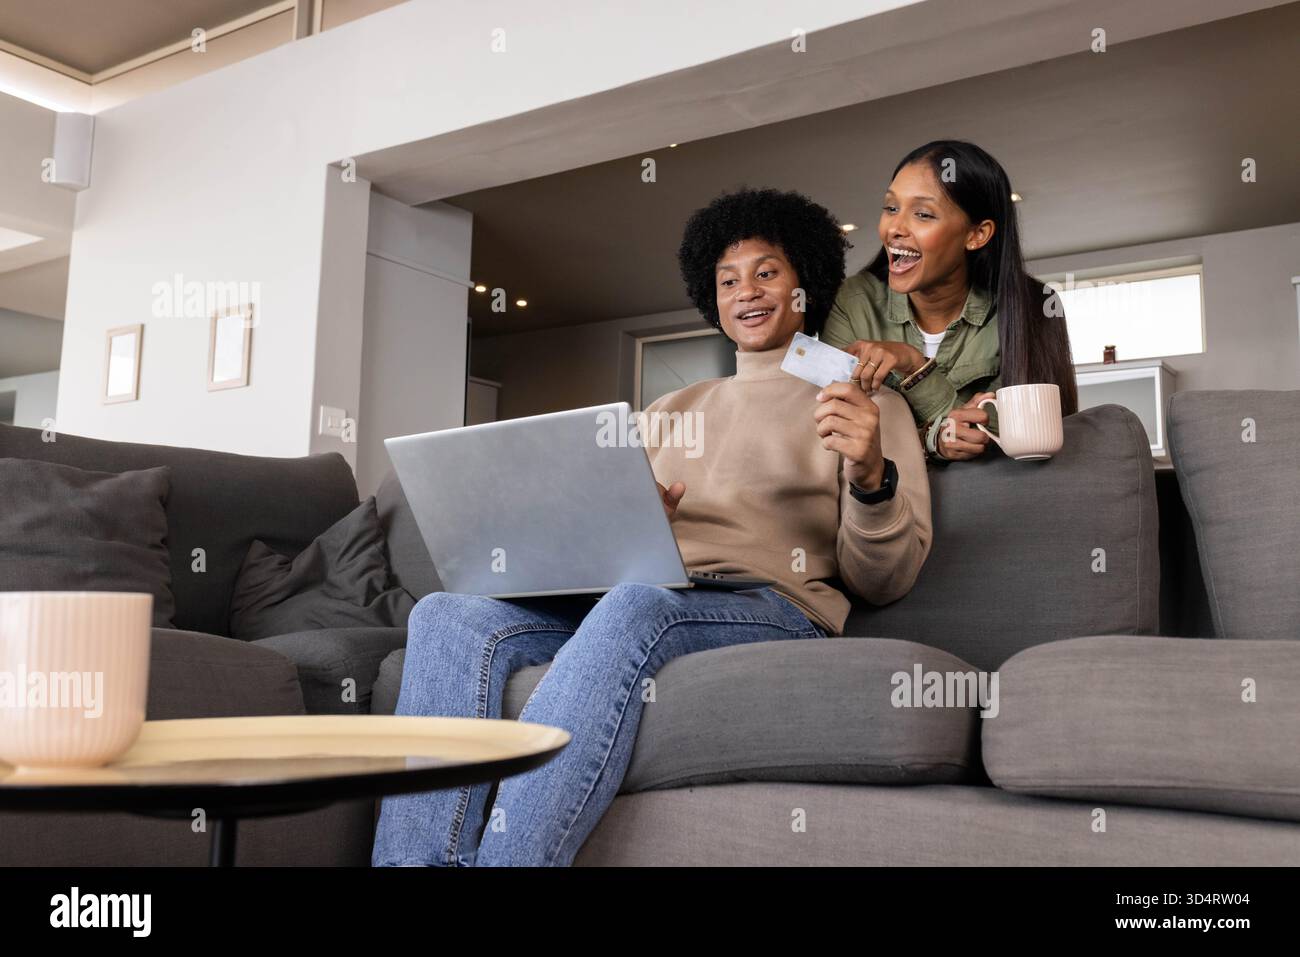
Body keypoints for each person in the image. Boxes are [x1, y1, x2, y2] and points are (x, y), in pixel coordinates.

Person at [370, 187, 931, 867]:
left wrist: (872, 476)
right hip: (644, 589)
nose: (745, 292)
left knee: (637, 605)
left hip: (769, 602)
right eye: (727, 279)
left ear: (805, 283)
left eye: (766, 271)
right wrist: (620, 529)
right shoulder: (667, 408)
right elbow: (610, 562)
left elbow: (883, 579)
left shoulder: (864, 401)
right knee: (445, 615)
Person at [821, 140, 1078, 461]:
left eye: (923, 214)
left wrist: (915, 366)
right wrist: (933, 438)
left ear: (977, 234)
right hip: (889, 502)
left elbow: (1024, 434)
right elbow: (836, 430)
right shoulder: (852, 302)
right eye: (891, 208)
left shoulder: (1034, 306)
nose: (895, 228)